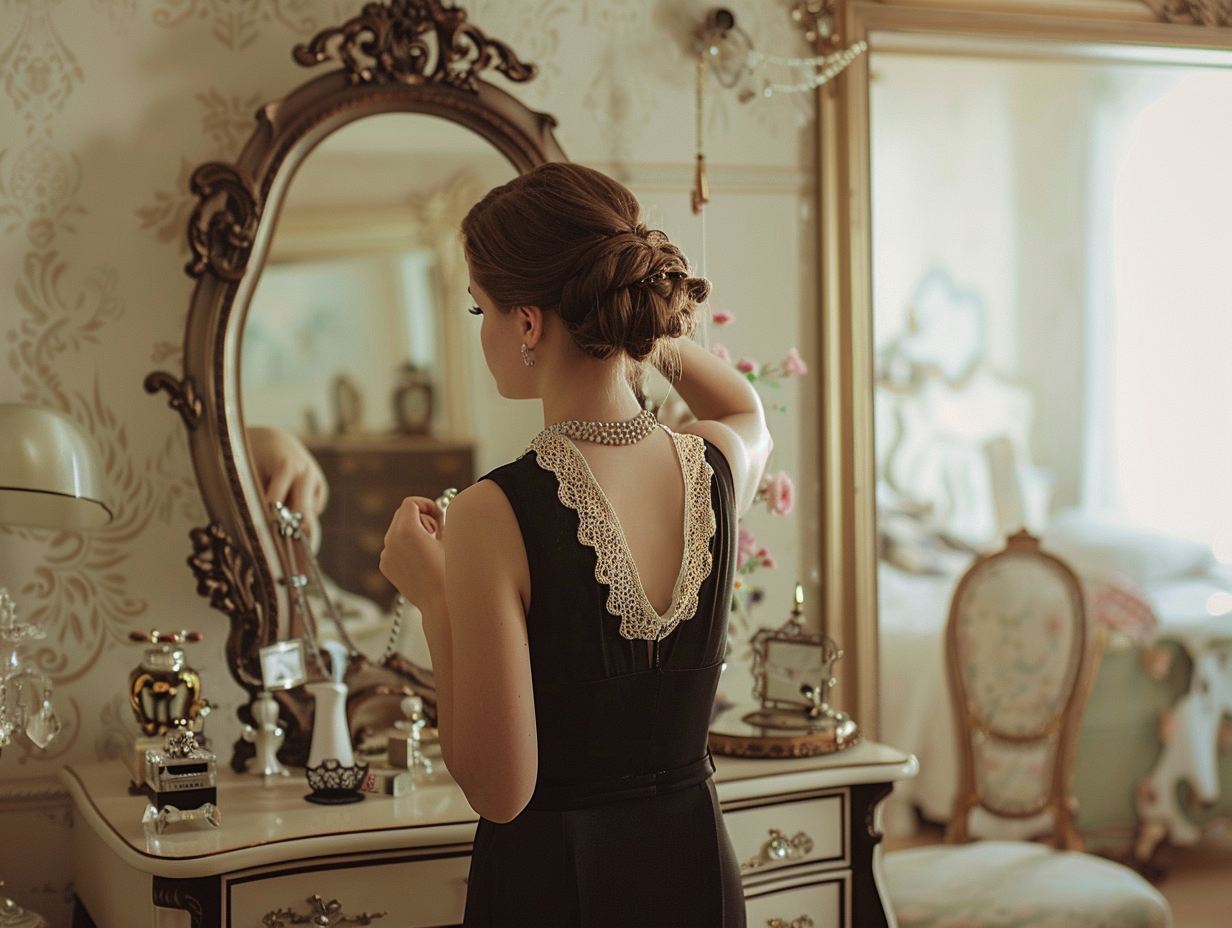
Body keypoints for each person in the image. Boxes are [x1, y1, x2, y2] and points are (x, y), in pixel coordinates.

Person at [379, 162, 771, 927]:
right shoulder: (718, 462)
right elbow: (743, 403)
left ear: (527, 324)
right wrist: (631, 328)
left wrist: (433, 601)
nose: (481, 329)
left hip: (556, 890)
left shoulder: (496, 512)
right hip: (700, 878)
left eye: (478, 309)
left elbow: (501, 791)